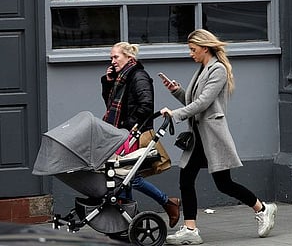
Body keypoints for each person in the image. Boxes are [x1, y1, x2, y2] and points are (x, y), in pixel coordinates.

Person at [160, 29, 277, 245]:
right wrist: (177, 91)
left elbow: (203, 103)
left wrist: (174, 114)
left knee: (224, 184)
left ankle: (263, 209)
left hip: (212, 136)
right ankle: (191, 230)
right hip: (198, 136)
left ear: (205, 48)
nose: (190, 54)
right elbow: (194, 101)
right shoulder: (203, 68)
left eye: (193, 50)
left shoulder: (218, 70)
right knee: (186, 179)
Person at [101, 42, 180, 228]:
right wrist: (108, 82)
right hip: (122, 135)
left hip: (134, 134)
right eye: (111, 57)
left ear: (129, 57)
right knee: (123, 177)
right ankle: (126, 220)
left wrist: (128, 128)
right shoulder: (121, 78)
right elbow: (110, 105)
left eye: (115, 57)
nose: (112, 61)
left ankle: (168, 202)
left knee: (128, 176)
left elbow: (146, 106)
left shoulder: (138, 76)